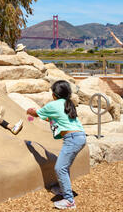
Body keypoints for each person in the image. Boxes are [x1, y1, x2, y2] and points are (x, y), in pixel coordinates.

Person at [26, 80, 85, 210]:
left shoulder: (53, 104)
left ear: (54, 94)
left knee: (60, 168)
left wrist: (30, 111)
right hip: (79, 136)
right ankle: (63, 189)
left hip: (72, 139)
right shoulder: (68, 104)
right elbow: (52, 118)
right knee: (64, 166)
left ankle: (69, 201)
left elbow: (36, 113)